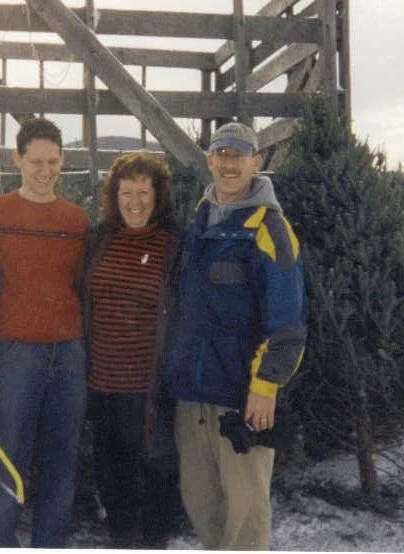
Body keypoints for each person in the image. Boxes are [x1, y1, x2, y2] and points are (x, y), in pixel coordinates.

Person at [163, 121, 307, 550]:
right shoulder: (201, 222)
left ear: (256, 163)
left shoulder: (270, 228)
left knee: (245, 518)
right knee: (203, 507)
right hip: (193, 399)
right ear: (210, 162)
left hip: (241, 402)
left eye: (238, 155)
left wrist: (265, 388)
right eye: (221, 155)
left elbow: (288, 323)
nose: (229, 164)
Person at [0, 117, 90, 548]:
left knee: (62, 460)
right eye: (35, 162)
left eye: (53, 162)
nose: (45, 171)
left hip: (68, 353)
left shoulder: (77, 221)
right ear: (18, 160)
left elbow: (82, 286)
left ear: (63, 161)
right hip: (15, 352)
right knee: (8, 456)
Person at [82, 151, 183, 548]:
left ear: (158, 196)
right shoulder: (100, 240)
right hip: (102, 385)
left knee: (155, 481)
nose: (135, 202)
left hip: (148, 391)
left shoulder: (173, 245)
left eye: (144, 192)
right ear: (114, 195)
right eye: (127, 192)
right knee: (112, 481)